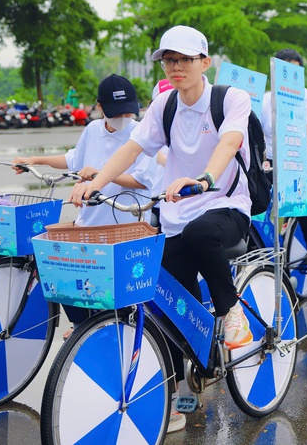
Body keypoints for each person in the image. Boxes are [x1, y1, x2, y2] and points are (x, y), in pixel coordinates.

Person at [70, 25, 253, 433]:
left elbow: (229, 143)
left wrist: (204, 179)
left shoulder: (230, 99)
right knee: (170, 308)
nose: (175, 67)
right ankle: (178, 391)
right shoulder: (164, 104)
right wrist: (96, 185)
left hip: (225, 205)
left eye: (184, 59)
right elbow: (133, 149)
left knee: (201, 235)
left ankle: (230, 308)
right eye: (169, 60)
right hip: (174, 214)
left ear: (205, 63)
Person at [13, 74, 159, 338]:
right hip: (89, 225)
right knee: (60, 273)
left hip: (125, 227)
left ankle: (100, 332)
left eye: (128, 111)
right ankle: (84, 327)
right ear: (100, 108)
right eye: (116, 112)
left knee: (116, 301)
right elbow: (73, 159)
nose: (123, 117)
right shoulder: (92, 130)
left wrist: (100, 175)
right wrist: (34, 159)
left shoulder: (141, 133)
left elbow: (142, 180)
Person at [261, 48, 307, 293]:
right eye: (284, 71)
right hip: (270, 163)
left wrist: (292, 173)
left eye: (294, 71)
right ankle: (271, 278)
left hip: (306, 163)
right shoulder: (265, 99)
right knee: (253, 215)